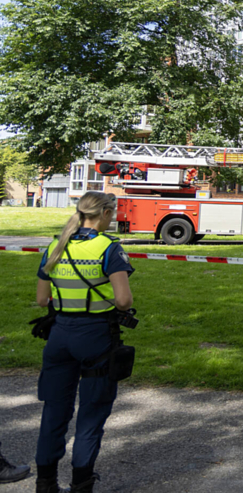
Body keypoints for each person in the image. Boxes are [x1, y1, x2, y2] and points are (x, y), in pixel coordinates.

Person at [33, 192, 134, 493]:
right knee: (91, 412)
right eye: (112, 212)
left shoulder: (55, 245)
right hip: (95, 337)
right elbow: (124, 300)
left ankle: (46, 483)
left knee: (54, 410)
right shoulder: (108, 247)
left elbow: (41, 300)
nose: (114, 216)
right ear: (103, 212)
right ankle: (81, 483)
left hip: (59, 336)